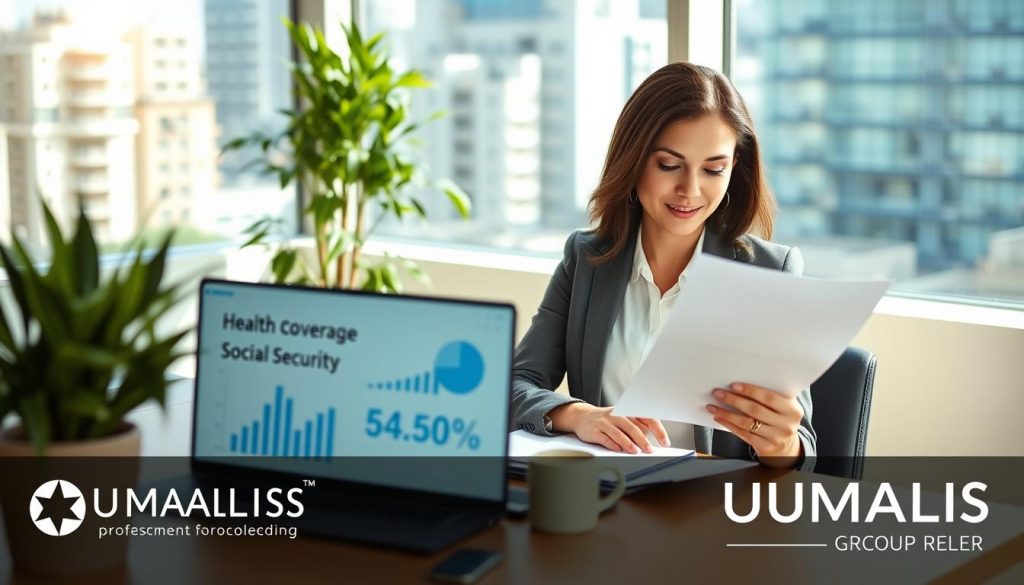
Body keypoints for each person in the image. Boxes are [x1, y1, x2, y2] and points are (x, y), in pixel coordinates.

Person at [511, 62, 815, 469]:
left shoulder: (769, 272)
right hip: (612, 500)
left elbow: (805, 454)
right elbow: (514, 386)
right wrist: (580, 416)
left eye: (713, 169)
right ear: (634, 160)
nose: (690, 190)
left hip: (714, 509)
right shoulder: (587, 260)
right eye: (669, 165)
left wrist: (780, 445)